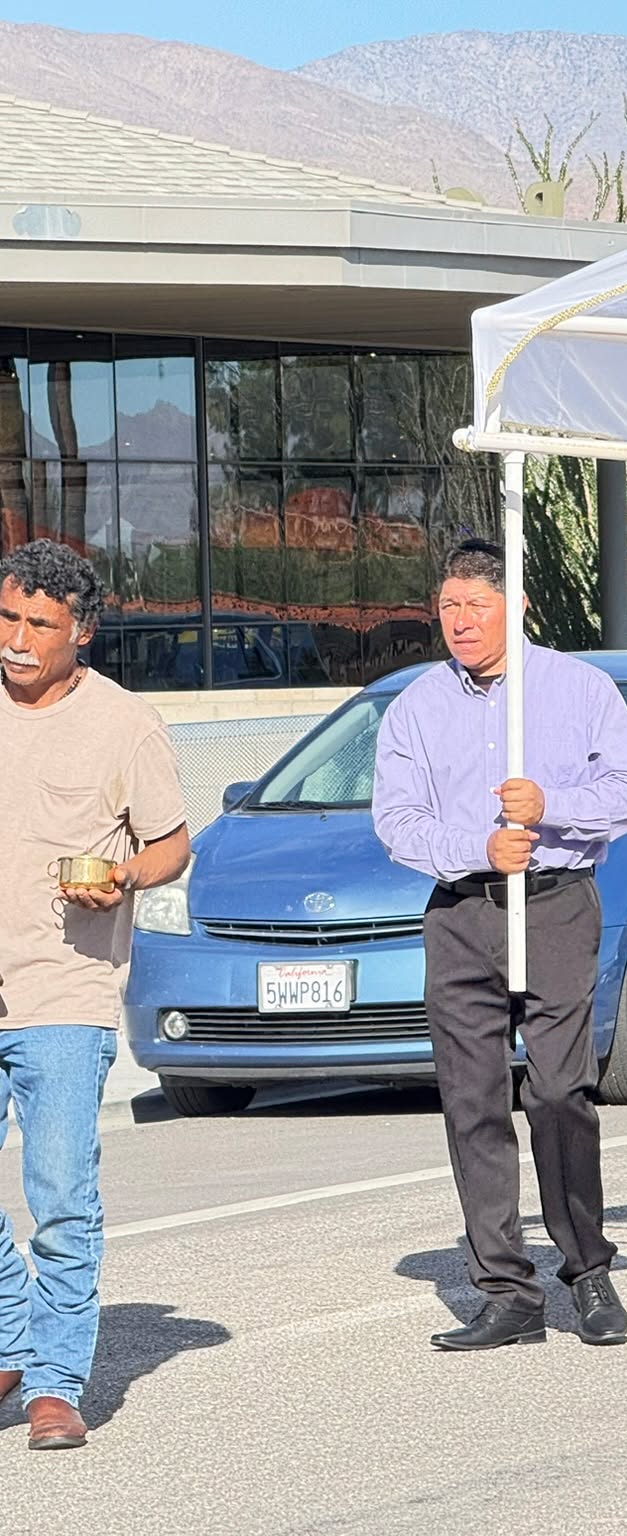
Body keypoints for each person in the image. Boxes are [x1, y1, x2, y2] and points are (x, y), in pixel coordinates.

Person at [372, 540, 627, 1351]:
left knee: (562, 1090)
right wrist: (476, 847)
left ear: (516, 607)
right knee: (472, 1100)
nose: (459, 622)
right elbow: (396, 821)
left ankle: (587, 1269)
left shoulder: (577, 690)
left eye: (476, 606)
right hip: (462, 913)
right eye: (448, 607)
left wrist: (551, 804)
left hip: (558, 903)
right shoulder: (418, 708)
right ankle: (505, 1289)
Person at [0, 541, 189, 1452]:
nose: (17, 639)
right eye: (7, 617)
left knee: (60, 1192)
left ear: (81, 630)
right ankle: (11, 1334)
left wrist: (122, 876)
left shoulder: (124, 723)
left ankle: (54, 1383)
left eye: (39, 624)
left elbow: (171, 845)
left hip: (64, 988)